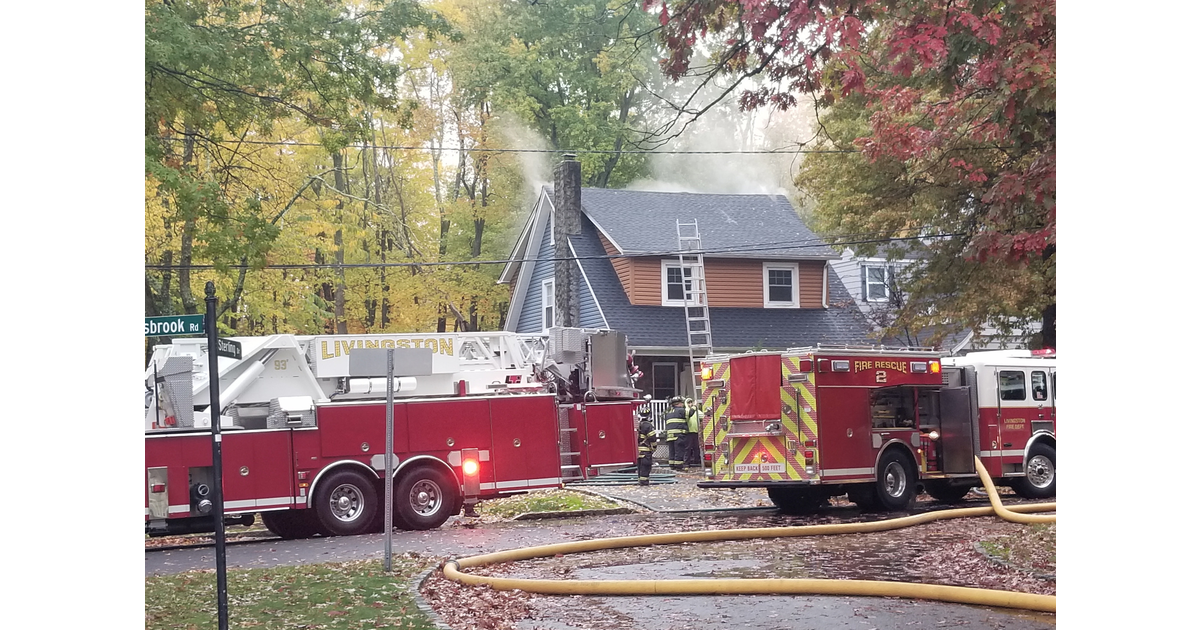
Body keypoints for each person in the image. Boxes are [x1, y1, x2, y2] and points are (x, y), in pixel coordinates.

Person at [663, 396, 689, 471]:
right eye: (682, 403)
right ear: (678, 403)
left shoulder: (669, 412)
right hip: (678, 435)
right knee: (679, 451)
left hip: (670, 436)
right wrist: (693, 407)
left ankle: (672, 465)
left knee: (672, 451)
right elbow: (689, 413)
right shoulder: (681, 410)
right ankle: (679, 467)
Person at [636, 403, 657, 485]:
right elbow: (652, 438)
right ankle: (644, 482)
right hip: (646, 452)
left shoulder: (638, 425)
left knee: (640, 468)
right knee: (646, 467)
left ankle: (640, 481)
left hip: (638, 452)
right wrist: (654, 447)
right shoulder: (648, 425)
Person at [684, 397, 702, 468]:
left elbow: (703, 415)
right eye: (688, 402)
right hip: (688, 432)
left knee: (696, 448)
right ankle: (686, 463)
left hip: (696, 432)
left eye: (691, 402)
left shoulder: (696, 411)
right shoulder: (686, 411)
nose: (690, 404)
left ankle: (696, 461)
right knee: (688, 448)